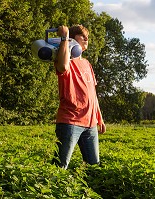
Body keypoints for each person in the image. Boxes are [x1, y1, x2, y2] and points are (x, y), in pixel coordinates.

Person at [52, 24, 106, 169]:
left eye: (87, 36)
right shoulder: (64, 59)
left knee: (93, 166)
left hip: (90, 124)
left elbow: (92, 93)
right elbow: (63, 67)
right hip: (70, 121)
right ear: (72, 39)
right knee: (60, 165)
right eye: (82, 36)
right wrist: (64, 38)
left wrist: (99, 117)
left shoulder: (87, 64)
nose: (86, 38)